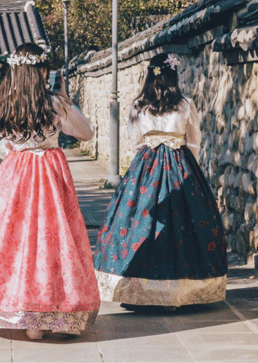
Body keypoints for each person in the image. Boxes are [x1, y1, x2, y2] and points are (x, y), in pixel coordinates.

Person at [0, 43, 100, 340]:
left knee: (15, 241)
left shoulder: (5, 102)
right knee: (50, 241)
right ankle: (45, 314)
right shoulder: (55, 103)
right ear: (43, 70)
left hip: (14, 174)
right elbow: (86, 133)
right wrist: (69, 104)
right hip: (48, 176)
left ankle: (25, 314)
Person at [93, 52, 227, 308]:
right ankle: (182, 291)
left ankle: (140, 288)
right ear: (173, 75)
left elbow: (136, 141)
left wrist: (142, 166)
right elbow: (194, 141)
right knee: (184, 226)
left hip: (145, 166)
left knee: (140, 221)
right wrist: (191, 171)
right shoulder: (186, 103)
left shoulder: (138, 105)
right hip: (180, 165)